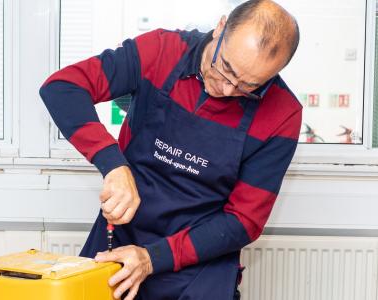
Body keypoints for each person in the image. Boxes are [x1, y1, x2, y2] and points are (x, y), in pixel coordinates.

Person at [39, 0, 302, 299]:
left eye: (249, 86)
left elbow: (244, 221)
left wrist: (152, 258)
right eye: (226, 68)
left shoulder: (283, 113)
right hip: (121, 240)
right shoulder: (162, 50)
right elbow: (62, 87)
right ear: (220, 28)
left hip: (199, 262)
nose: (228, 90)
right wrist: (112, 163)